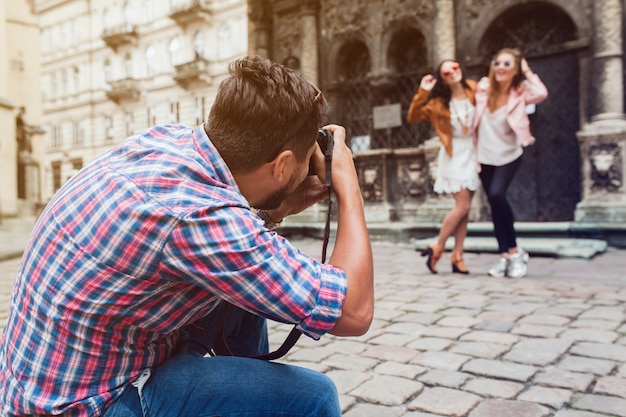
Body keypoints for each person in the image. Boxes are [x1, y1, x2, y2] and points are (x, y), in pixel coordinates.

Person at [0, 55, 374, 417]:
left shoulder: (169, 141)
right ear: (280, 165)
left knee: (243, 295)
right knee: (315, 398)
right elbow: (353, 312)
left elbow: (220, 242)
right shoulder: (202, 217)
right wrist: (348, 188)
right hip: (85, 404)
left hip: (50, 377)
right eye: (307, 156)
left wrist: (275, 210)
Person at [473, 48, 548, 278]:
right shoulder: (484, 87)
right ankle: (504, 256)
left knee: (497, 194)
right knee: (495, 206)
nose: (501, 67)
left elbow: (541, 92)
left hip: (509, 154)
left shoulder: (520, 92)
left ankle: (515, 253)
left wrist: (525, 68)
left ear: (515, 69)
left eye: (507, 64)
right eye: (497, 63)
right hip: (484, 155)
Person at [407, 60, 480, 274]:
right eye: (446, 71)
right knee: (463, 206)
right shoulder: (438, 103)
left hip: (474, 152)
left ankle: (457, 256)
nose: (453, 72)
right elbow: (413, 116)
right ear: (443, 78)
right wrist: (423, 91)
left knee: (465, 210)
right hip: (453, 154)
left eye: (455, 67)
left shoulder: (474, 89)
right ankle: (437, 246)